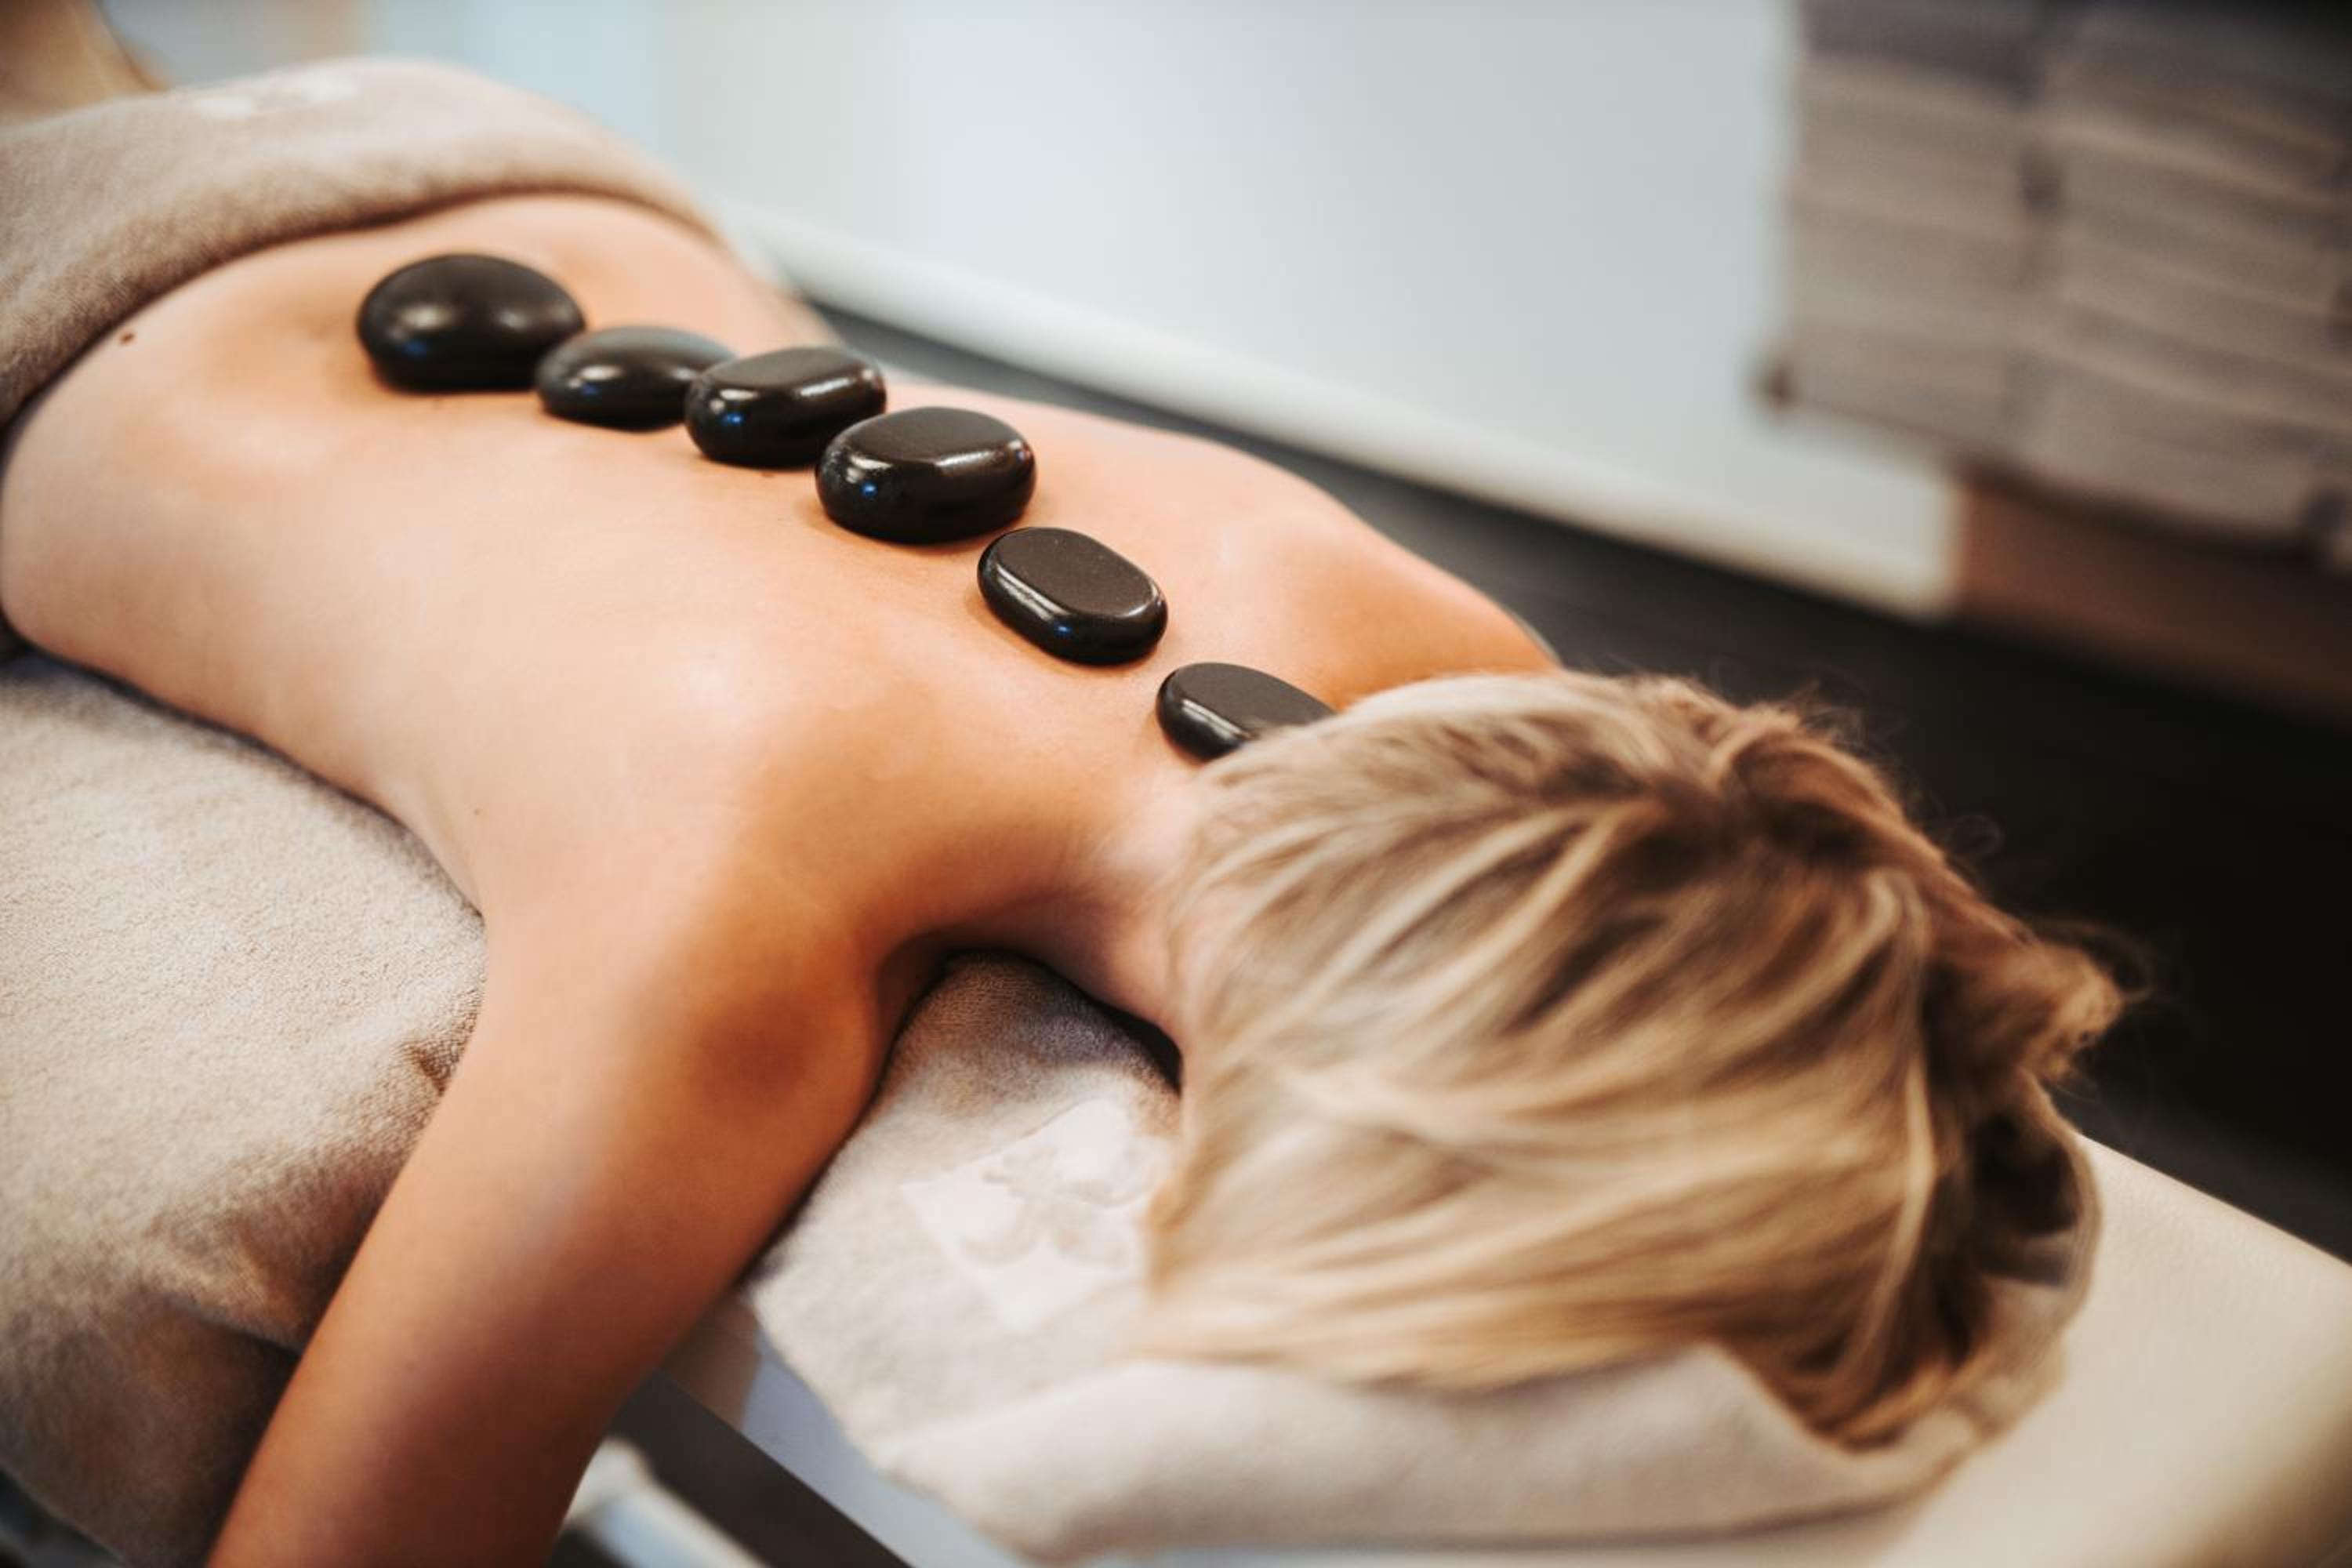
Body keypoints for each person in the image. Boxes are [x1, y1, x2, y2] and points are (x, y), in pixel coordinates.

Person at [0, 37, 2118, 1568]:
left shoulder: (1445, 641)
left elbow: (1785, 933)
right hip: (66, 306)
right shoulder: (736, 907)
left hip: (521, 167)